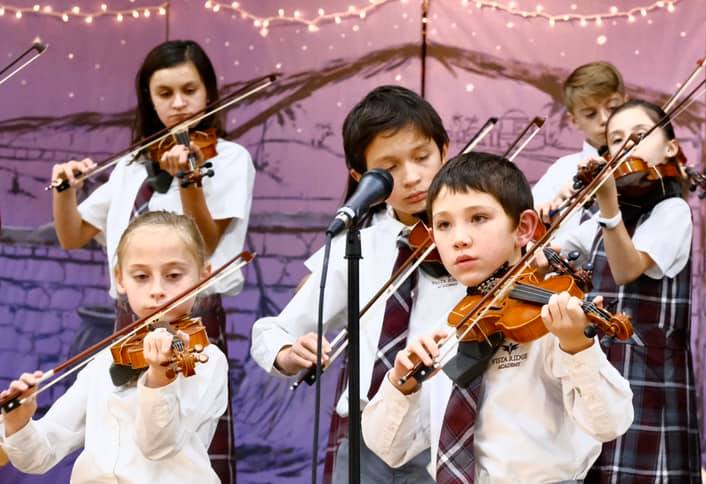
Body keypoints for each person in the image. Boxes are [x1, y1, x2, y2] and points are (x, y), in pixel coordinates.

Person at [49, 40, 254, 482]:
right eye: (165, 94)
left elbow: (207, 242)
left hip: (190, 316)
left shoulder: (231, 160)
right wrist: (66, 192)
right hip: (130, 316)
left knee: (184, 446)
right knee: (123, 438)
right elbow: (72, 235)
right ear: (149, 99)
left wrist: (189, 180)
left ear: (209, 93)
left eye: (189, 90)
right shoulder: (131, 166)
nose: (178, 104)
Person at [362, 151, 634, 482]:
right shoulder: (449, 328)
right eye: (444, 225)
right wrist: (401, 385)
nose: (459, 238)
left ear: (523, 228)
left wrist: (578, 347)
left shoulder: (551, 324)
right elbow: (389, 448)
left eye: (478, 218)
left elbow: (609, 423)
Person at [250, 85, 461, 483]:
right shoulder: (355, 245)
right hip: (368, 438)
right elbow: (270, 331)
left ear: (445, 151)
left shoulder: (473, 239)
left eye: (422, 157)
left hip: (446, 430)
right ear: (362, 177)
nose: (413, 177)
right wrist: (288, 352)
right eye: (391, 168)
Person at [0, 211, 228, 483]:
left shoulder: (203, 360)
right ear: (120, 279)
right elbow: (39, 457)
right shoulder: (105, 361)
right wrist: (19, 422)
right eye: (141, 276)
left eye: (174, 275)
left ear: (203, 276)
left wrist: (160, 379)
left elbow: (158, 446)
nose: (157, 290)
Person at [553, 99, 702, 482]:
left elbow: (627, 269)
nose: (626, 146)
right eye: (616, 140)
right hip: (600, 367)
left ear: (670, 148)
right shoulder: (605, 217)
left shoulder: (672, 211)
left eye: (638, 136)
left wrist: (608, 207)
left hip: (648, 373)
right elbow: (552, 255)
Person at [533, 61, 627, 234]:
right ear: (574, 120)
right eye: (591, 114)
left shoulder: (645, 160)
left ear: (626, 104)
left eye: (613, 108)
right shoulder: (562, 169)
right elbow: (528, 218)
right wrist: (544, 211)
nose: (604, 119)